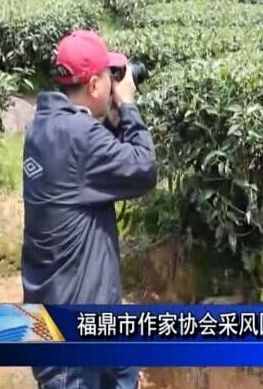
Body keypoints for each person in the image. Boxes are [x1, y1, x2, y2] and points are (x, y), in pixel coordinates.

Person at [21, 30, 158, 388]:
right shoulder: (80, 136)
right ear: (95, 86)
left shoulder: (44, 127)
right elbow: (143, 169)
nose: (114, 85)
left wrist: (112, 122)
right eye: (109, 79)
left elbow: (93, 171)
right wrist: (127, 106)